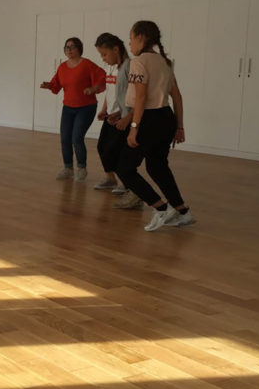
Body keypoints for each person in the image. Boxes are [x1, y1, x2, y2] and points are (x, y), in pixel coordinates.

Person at [116, 20, 196, 231]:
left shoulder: (139, 61)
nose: (129, 43)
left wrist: (134, 127)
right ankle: (183, 212)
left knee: (125, 168)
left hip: (148, 119)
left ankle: (161, 208)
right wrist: (179, 126)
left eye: (131, 38)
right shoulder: (165, 62)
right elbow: (177, 96)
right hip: (166, 118)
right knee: (157, 166)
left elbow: (141, 97)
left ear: (140, 37)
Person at [40, 37, 105, 181]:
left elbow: (102, 77)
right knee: (65, 138)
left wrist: (93, 88)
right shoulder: (62, 67)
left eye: (72, 47)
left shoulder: (87, 64)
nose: (68, 50)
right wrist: (49, 85)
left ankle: (81, 168)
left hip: (86, 107)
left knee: (76, 137)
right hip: (68, 108)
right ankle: (68, 168)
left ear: (79, 49)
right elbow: (56, 85)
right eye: (66, 47)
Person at [92, 32, 142, 207]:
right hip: (116, 116)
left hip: (126, 119)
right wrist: (108, 111)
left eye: (104, 54)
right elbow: (116, 94)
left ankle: (132, 189)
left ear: (116, 49)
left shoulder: (129, 66)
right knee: (104, 148)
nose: (103, 58)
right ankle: (122, 184)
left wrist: (126, 116)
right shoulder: (116, 67)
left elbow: (138, 96)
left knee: (116, 155)